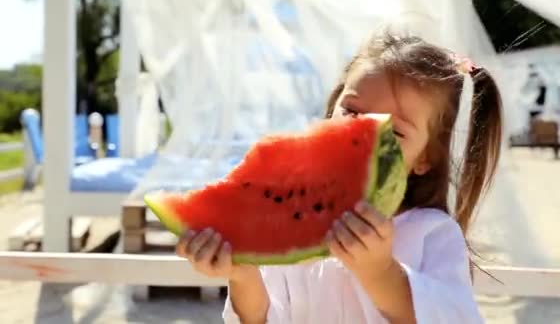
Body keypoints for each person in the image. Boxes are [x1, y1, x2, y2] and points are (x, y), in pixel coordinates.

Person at [176, 29, 503, 323]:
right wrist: (244, 276)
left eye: (394, 131)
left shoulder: (432, 233)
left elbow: (451, 316)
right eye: (352, 112)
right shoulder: (290, 221)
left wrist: (380, 273)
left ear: (425, 159)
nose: (361, 135)